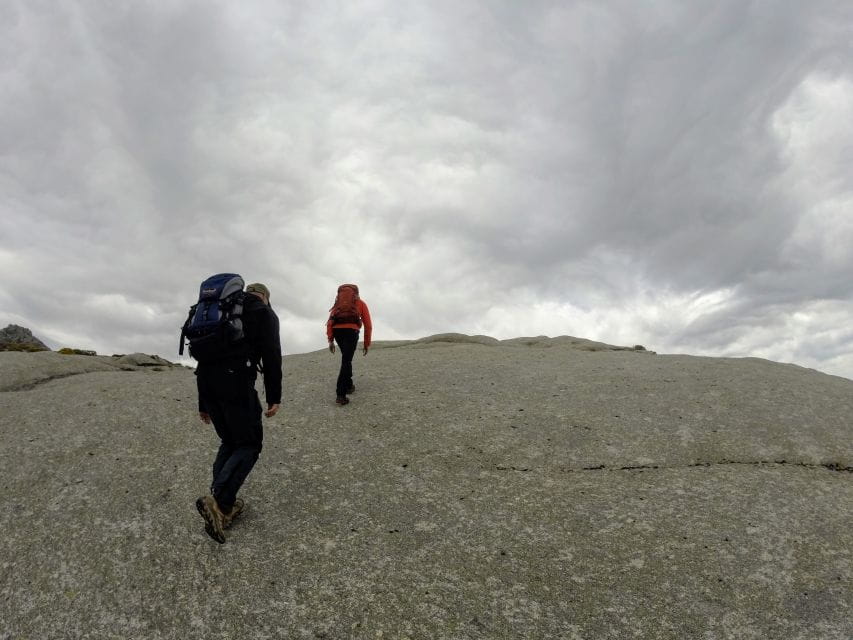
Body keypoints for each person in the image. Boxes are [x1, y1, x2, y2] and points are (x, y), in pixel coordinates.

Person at [195, 282, 282, 543]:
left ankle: (222, 504)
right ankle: (220, 502)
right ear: (265, 296)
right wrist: (274, 396)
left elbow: (204, 358)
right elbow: (272, 354)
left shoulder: (220, 309)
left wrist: (203, 403)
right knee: (249, 444)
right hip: (235, 383)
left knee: (230, 441)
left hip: (208, 384)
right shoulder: (262, 311)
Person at [326, 284, 372, 405]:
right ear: (356, 293)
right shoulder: (361, 303)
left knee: (346, 358)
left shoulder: (338, 305)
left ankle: (349, 384)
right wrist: (366, 343)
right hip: (351, 332)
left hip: (337, 333)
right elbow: (368, 325)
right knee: (346, 360)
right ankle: (341, 394)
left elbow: (330, 322)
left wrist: (331, 340)